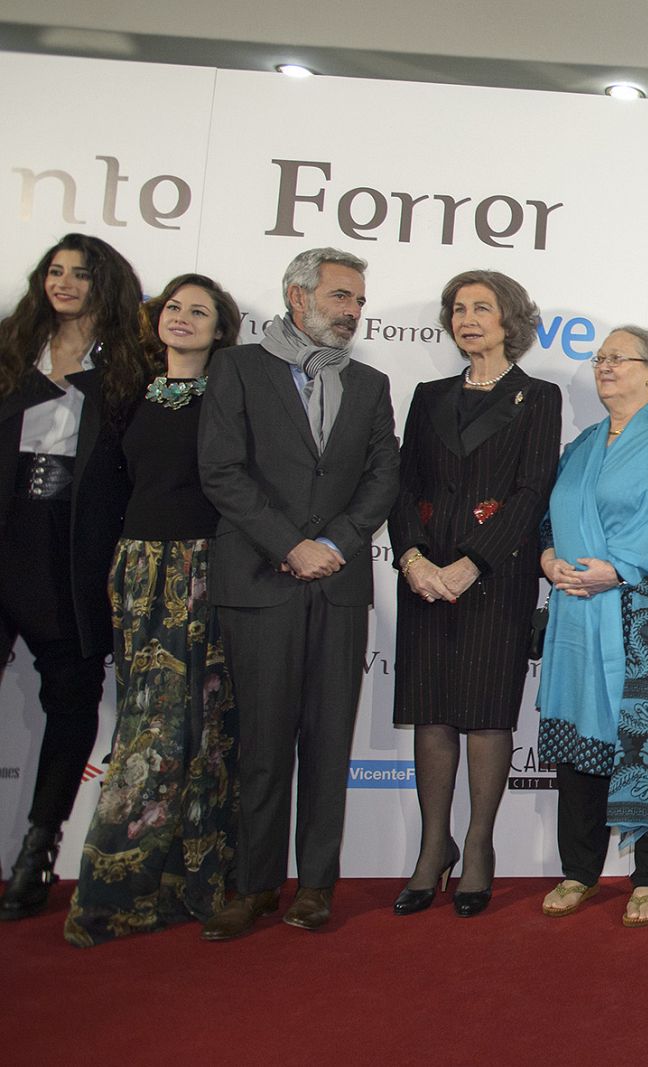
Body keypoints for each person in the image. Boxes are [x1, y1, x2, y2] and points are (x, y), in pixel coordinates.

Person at [196, 248, 400, 940]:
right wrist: (291, 544)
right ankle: (253, 884)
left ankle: (315, 885)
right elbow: (221, 472)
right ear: (297, 296)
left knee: (327, 742)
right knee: (259, 743)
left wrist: (335, 545)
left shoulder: (370, 385)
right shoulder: (238, 369)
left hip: (338, 589)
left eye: (360, 302)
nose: (353, 312)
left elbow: (381, 479)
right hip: (260, 584)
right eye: (343, 297)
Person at [63, 274, 243, 945]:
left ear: (221, 329)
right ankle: (118, 892)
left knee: (204, 729)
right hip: (138, 573)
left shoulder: (232, 401)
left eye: (201, 311)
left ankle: (193, 883)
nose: (184, 317)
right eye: (175, 306)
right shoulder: (125, 397)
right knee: (146, 730)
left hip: (206, 572)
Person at [388, 271, 561, 918]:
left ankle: (481, 846)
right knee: (432, 713)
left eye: (481, 308)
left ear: (510, 318)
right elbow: (401, 487)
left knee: (487, 715)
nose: (467, 318)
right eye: (458, 309)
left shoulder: (537, 397)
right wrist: (412, 558)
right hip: (425, 578)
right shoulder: (428, 394)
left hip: (496, 578)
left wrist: (473, 564)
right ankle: (435, 846)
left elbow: (532, 490)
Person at [536, 326, 648, 928]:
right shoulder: (583, 443)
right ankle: (579, 869)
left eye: (620, 358)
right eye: (601, 358)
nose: (606, 367)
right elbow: (549, 517)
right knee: (579, 738)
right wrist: (547, 559)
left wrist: (616, 568)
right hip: (578, 612)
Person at [0, 234, 144, 922]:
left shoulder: (126, 367)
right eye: (53, 272)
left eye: (79, 274)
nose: (62, 283)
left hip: (77, 549)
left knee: (71, 696)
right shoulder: (9, 348)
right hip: (6, 531)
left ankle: (36, 851)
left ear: (103, 284)